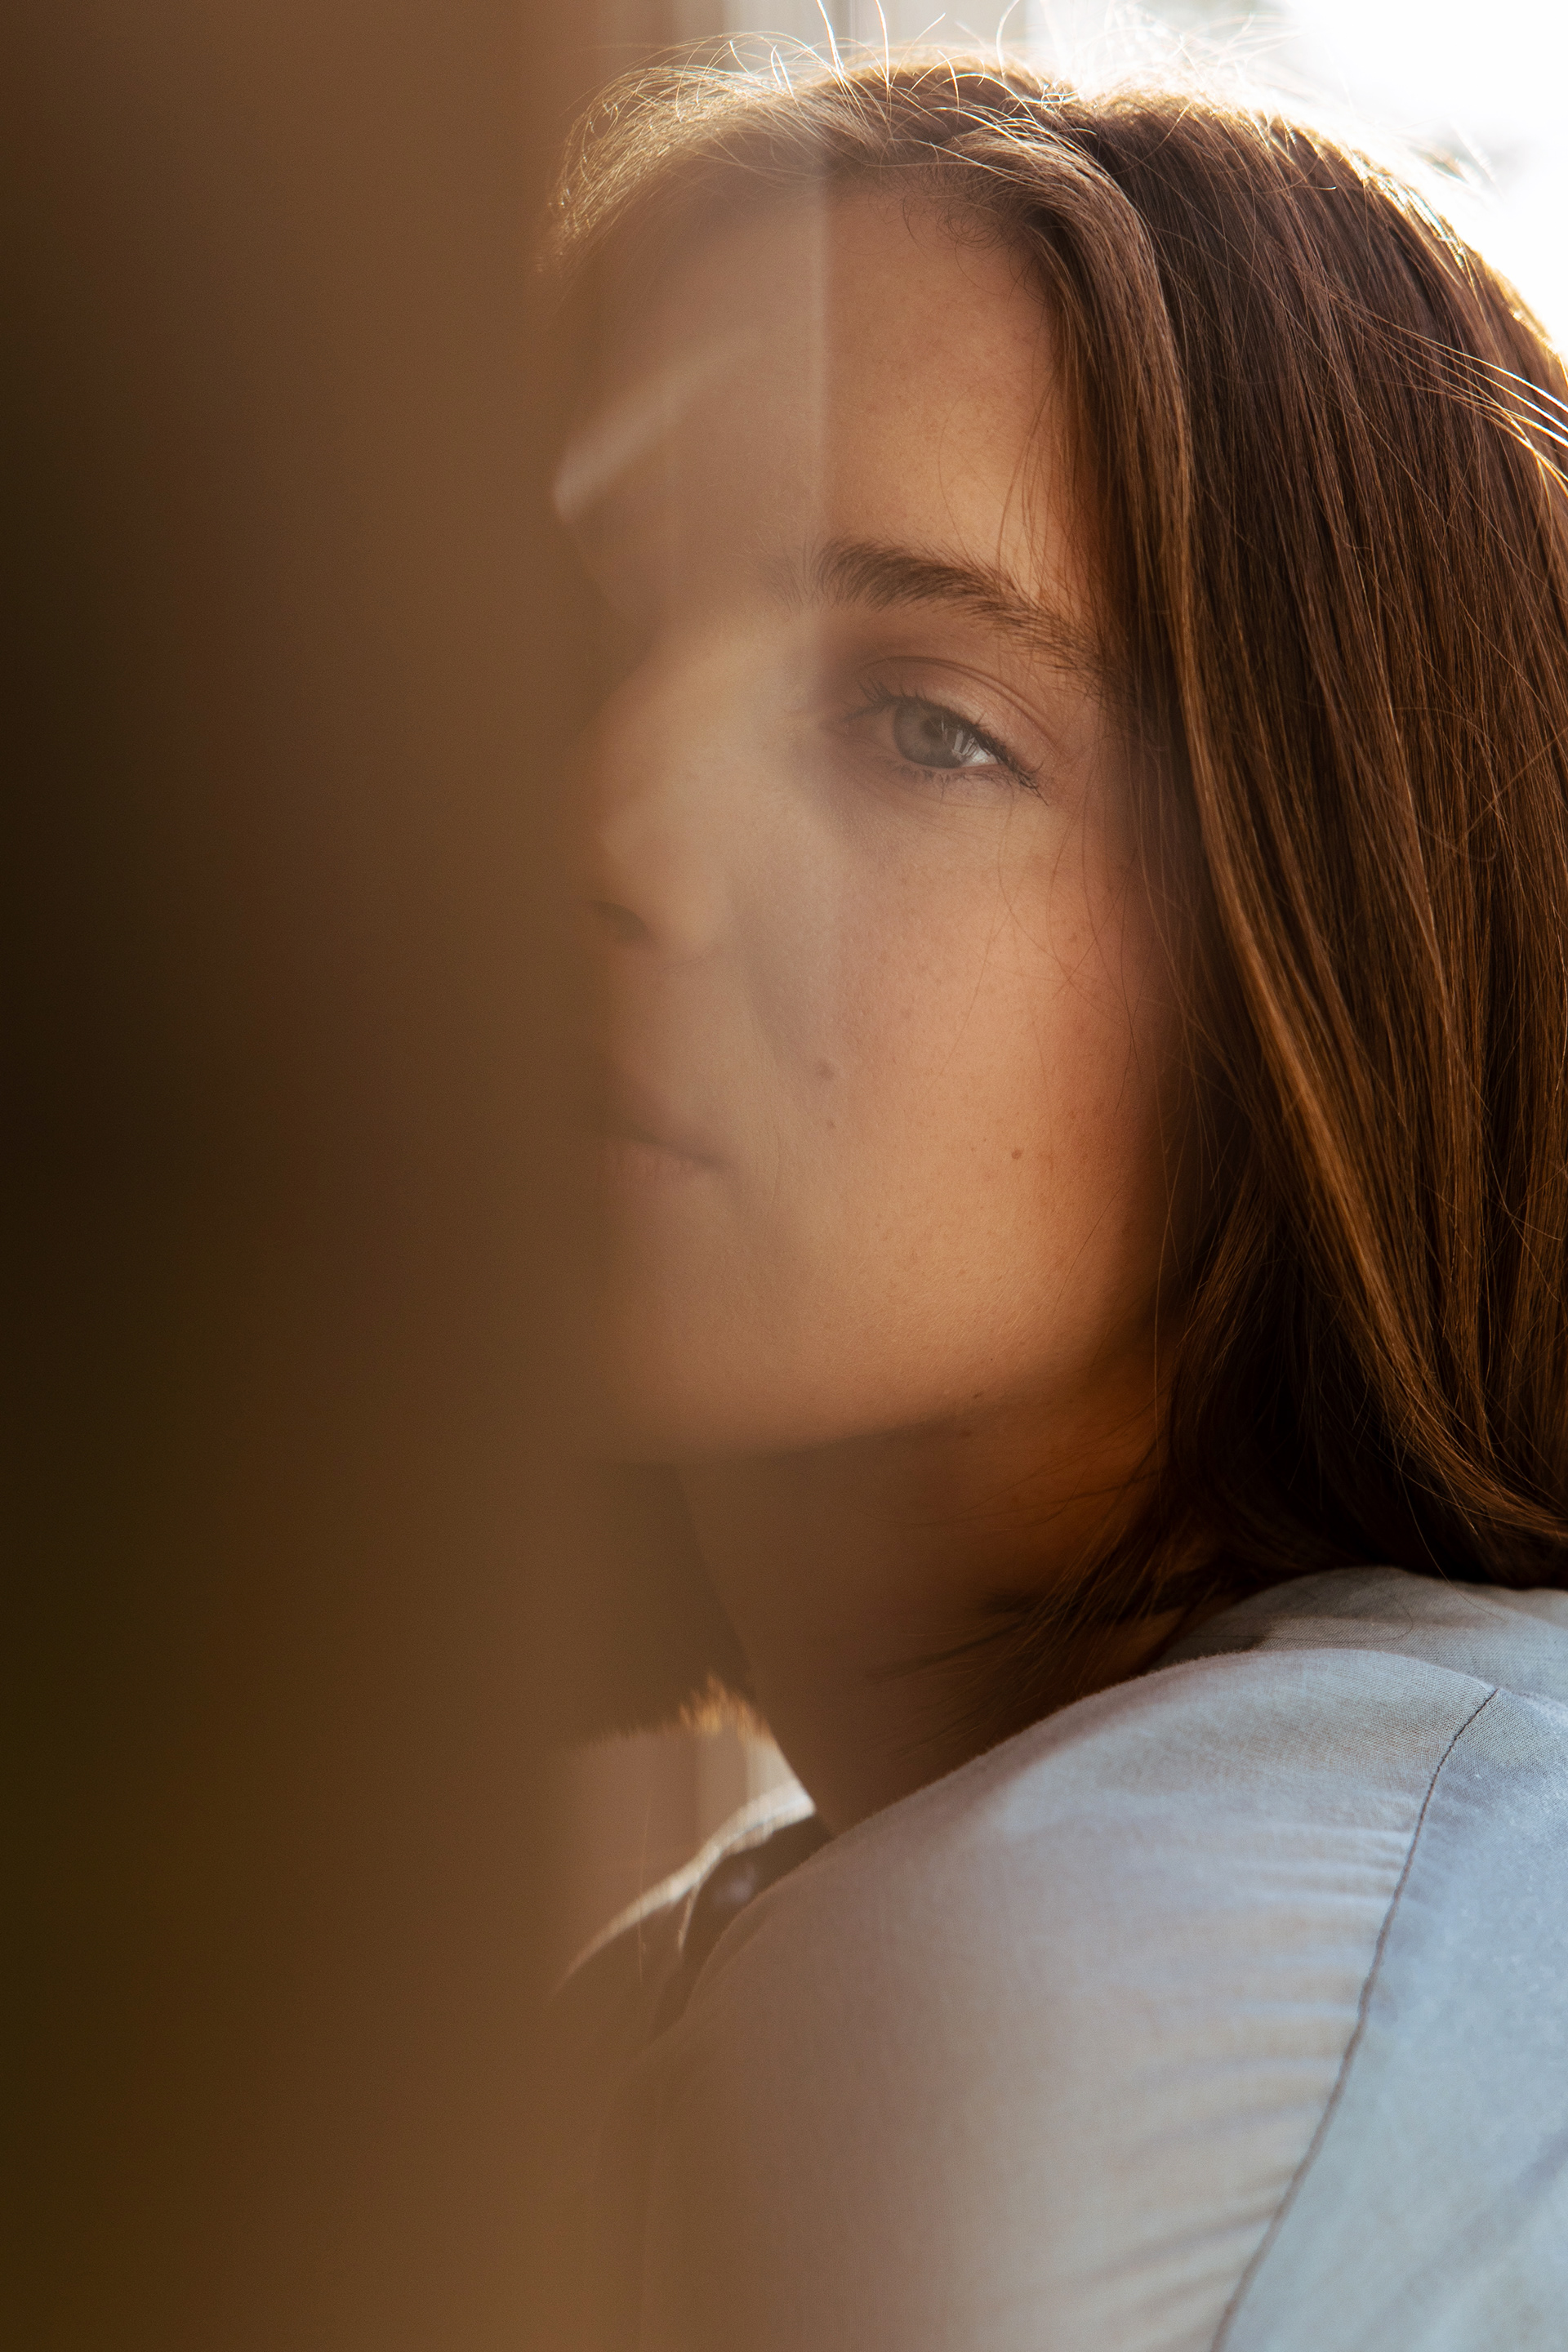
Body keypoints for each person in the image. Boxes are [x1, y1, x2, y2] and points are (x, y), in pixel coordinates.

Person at [544, 51, 1568, 2350]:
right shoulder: (780, 1957)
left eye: (922, 723)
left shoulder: (1182, 1965)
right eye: (558, 659)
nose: (603, 829)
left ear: (1342, 953)